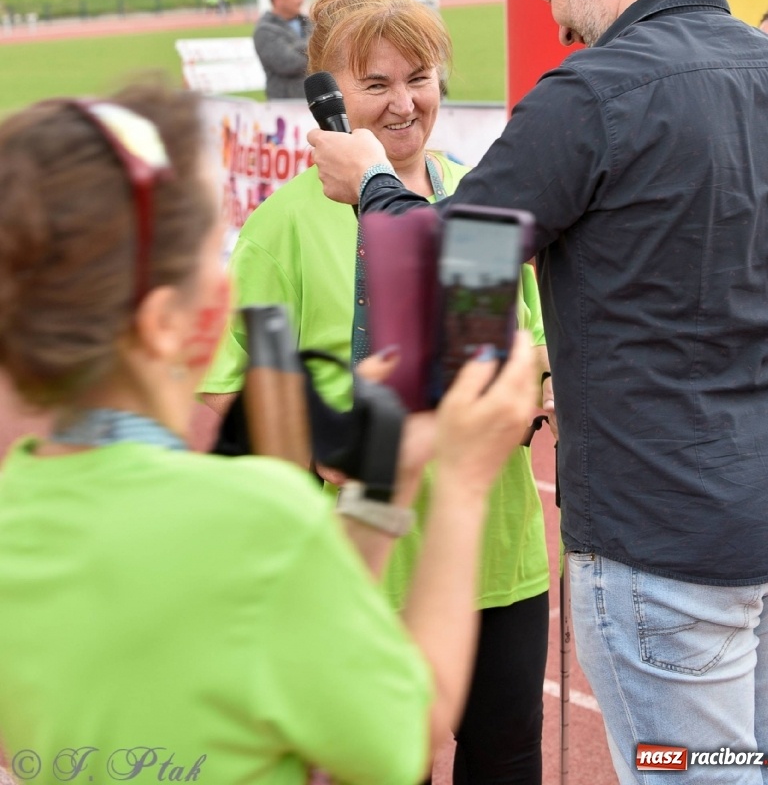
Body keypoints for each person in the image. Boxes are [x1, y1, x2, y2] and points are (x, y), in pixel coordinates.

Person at [308, 0, 768, 785]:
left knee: (695, 772)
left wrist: (371, 183)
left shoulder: (593, 92)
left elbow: (457, 272)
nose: (556, 21)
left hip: (666, 542)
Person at [0, 81, 537, 785]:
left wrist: (384, 481)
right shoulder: (256, 517)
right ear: (169, 323)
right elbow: (400, 737)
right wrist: (462, 483)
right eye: (208, 260)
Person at [202, 0, 553, 785]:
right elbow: (230, 397)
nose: (403, 104)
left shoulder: (477, 197)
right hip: (358, 566)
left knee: (506, 763)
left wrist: (531, 381)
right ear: (327, 97)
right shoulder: (282, 226)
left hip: (496, 558)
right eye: (375, 85)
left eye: (419, 78)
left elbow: (527, 342)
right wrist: (311, 447)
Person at [253, 0, 312, 98]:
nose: (302, 0)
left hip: (319, 106)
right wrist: (317, 47)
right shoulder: (264, 30)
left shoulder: (309, 23)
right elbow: (289, 64)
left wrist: (295, 48)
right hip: (286, 110)